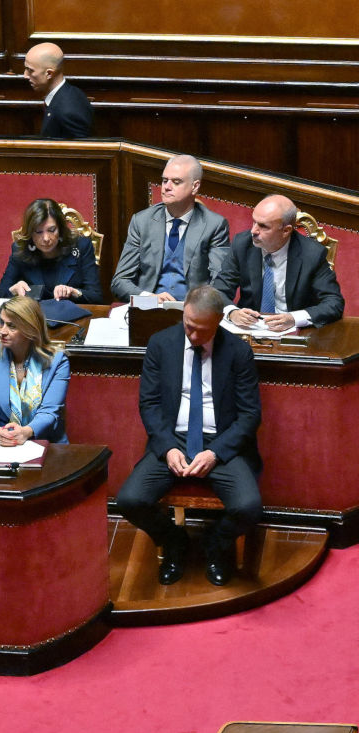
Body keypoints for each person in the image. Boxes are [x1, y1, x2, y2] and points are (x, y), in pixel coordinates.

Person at [116, 285, 262, 587]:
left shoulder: (238, 352)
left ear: (219, 321)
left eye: (203, 331)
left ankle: (215, 544)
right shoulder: (161, 344)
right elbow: (150, 405)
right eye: (189, 326)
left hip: (220, 444)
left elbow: (250, 416)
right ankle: (174, 541)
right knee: (129, 500)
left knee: (248, 507)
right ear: (184, 314)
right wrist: (167, 447)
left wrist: (216, 452)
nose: (194, 336)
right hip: (174, 439)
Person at [110, 155, 232, 302]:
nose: (167, 187)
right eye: (164, 180)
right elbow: (120, 281)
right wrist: (149, 298)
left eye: (176, 182)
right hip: (149, 310)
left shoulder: (214, 225)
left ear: (195, 186)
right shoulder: (142, 221)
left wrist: (197, 308)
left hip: (193, 312)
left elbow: (221, 282)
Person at [220, 194, 343, 331]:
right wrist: (232, 313)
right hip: (250, 331)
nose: (253, 231)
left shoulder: (312, 254)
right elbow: (219, 290)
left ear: (286, 230)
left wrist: (293, 318)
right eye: (254, 222)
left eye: (263, 226)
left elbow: (334, 303)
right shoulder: (242, 244)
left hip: (293, 334)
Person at [0, 296, 69, 445]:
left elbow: (50, 411)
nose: (2, 331)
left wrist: (26, 432)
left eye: (12, 326)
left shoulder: (57, 361)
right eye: (2, 323)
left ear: (30, 329)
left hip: (43, 441)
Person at [0, 198, 102, 303]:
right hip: (34, 317)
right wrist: (13, 291)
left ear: (60, 229)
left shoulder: (81, 246)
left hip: (71, 317)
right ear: (30, 233)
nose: (46, 238)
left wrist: (74, 292)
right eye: (38, 232)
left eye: (51, 230)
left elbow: (96, 296)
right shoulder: (21, 250)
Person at [23, 42, 93, 139]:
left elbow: (81, 152)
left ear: (49, 74)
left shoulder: (68, 112)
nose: (25, 75)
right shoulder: (71, 92)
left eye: (30, 70)